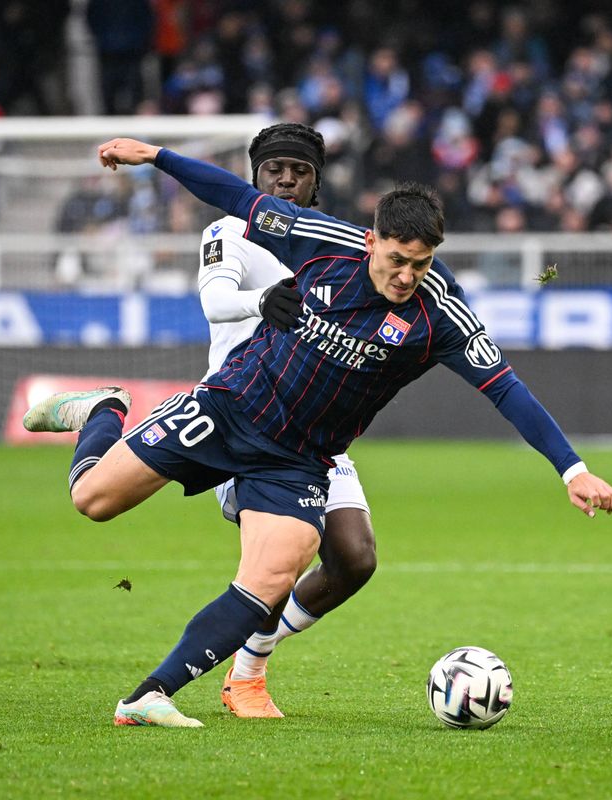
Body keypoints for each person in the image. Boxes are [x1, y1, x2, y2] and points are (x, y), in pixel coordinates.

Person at [22, 139, 612, 729]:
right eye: (396, 260)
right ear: (372, 240)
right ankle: (105, 409)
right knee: (92, 501)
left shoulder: (440, 314)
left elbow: (505, 388)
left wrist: (572, 470)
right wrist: (157, 157)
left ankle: (150, 695)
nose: (406, 276)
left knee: (269, 581)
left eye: (421, 264)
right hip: (231, 408)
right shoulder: (320, 239)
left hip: (298, 458)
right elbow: (234, 195)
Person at [196, 123, 377, 718]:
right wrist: (260, 302)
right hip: (243, 420)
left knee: (354, 558)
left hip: (313, 425)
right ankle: (247, 679)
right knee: (281, 558)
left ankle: (254, 645)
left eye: (299, 171)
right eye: (275, 169)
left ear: (317, 181)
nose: (286, 180)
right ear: (254, 176)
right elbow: (214, 301)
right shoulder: (229, 231)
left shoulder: (335, 246)